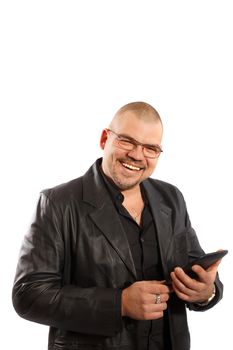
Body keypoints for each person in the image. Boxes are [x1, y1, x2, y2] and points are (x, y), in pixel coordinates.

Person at [12, 101, 223, 350]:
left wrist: (206, 291)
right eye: (127, 141)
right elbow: (29, 295)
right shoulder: (58, 203)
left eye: (150, 148)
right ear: (104, 139)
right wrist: (119, 303)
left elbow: (194, 265)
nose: (137, 155)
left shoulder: (171, 197)